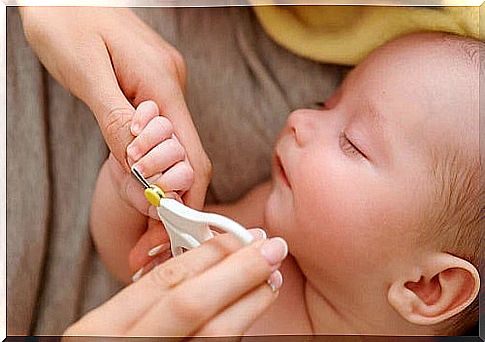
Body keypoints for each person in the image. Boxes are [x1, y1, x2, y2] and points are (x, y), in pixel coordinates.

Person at [88, 32, 482, 336]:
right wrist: (131, 184)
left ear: (426, 286)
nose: (298, 118)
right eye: (323, 104)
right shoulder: (258, 234)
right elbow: (135, 260)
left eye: (353, 144)